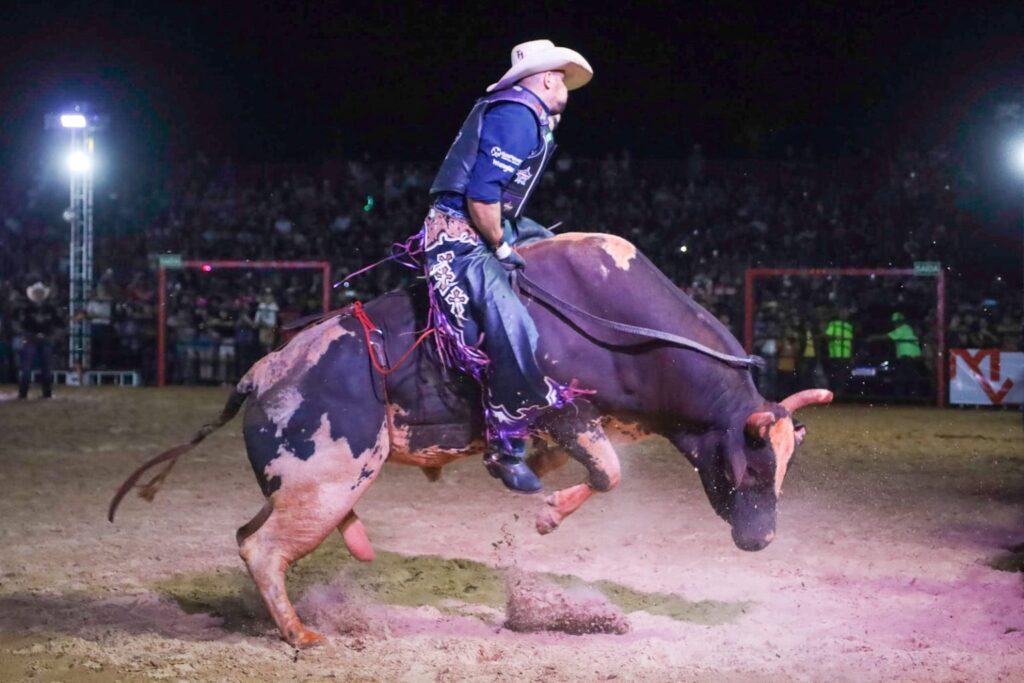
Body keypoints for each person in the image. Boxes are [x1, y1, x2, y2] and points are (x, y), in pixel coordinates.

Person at [421, 39, 593, 493]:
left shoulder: (526, 115)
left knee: (557, 251)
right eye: (563, 82)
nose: (567, 91)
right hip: (460, 233)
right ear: (548, 79)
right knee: (511, 321)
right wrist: (499, 246)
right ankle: (507, 443)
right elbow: (482, 196)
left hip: (496, 222)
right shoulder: (517, 114)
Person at [16, 282, 62, 399]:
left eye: (40, 293)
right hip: (31, 339)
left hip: (44, 339)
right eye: (37, 293)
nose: (38, 295)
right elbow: (20, 325)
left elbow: (59, 324)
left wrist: (52, 335)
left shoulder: (49, 308)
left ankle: (45, 393)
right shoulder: (26, 308)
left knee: (45, 368)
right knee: (27, 367)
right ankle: (24, 392)